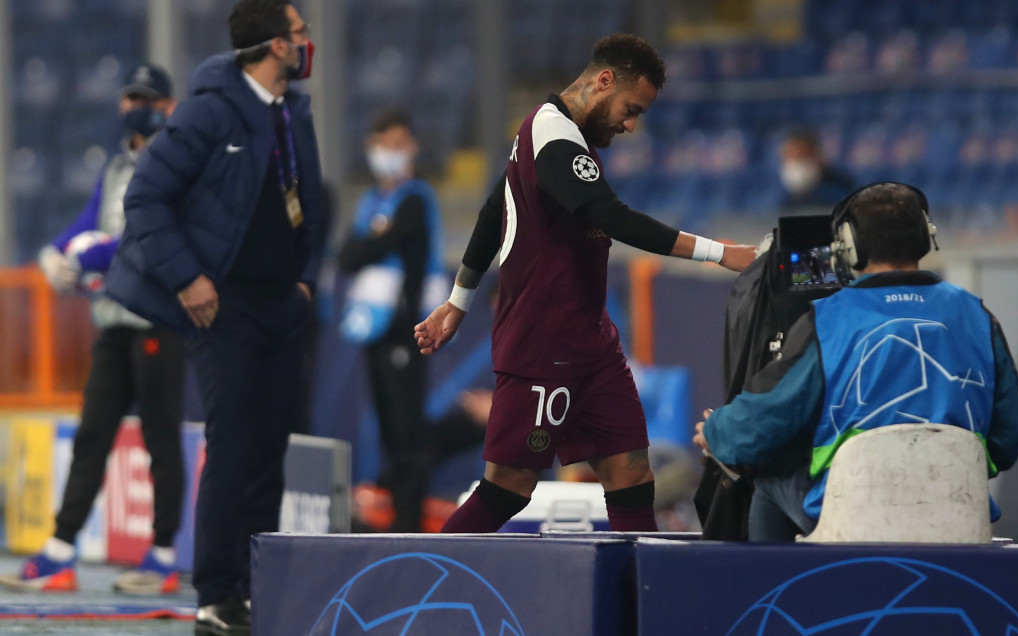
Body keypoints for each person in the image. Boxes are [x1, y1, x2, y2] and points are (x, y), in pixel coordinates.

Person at [414, 33, 757, 534]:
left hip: (591, 346)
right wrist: (722, 253)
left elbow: (493, 210)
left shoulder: (557, 138)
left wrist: (458, 301)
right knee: (509, 485)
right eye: (630, 108)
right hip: (542, 343)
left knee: (631, 475)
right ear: (602, 82)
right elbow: (610, 216)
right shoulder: (552, 135)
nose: (631, 125)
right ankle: (422, 589)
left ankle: (634, 604)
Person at [105, 1, 322, 632]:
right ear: (277, 46)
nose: (309, 45)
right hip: (223, 306)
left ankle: (259, 587)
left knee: (269, 449)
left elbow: (310, 203)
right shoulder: (208, 109)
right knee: (232, 447)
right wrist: (188, 278)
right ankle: (217, 592)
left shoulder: (293, 113)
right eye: (301, 34)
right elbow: (145, 197)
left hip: (284, 304)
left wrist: (306, 280)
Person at [693, 182, 1018, 542]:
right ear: (925, 236)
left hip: (857, 520)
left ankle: (774, 594)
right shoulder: (976, 315)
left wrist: (717, 433)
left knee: (769, 472)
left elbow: (762, 425)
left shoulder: (828, 320)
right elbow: (1012, 434)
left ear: (848, 245)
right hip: (959, 516)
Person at [0, 64, 184, 595]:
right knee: (92, 436)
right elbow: (90, 221)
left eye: (147, 98)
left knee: (160, 440)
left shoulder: (176, 162)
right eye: (129, 97)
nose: (135, 106)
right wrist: (56, 253)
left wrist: (92, 253)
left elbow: (147, 236)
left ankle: (164, 554)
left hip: (157, 319)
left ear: (170, 107)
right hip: (113, 319)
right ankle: (60, 550)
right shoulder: (119, 165)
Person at [337, 110, 447, 532]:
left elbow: (377, 245)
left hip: (409, 328)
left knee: (408, 434)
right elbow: (348, 256)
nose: (391, 153)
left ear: (413, 147)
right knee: (389, 431)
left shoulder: (416, 198)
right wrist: (374, 243)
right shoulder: (370, 201)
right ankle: (397, 521)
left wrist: (373, 243)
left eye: (400, 143)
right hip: (374, 329)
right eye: (384, 144)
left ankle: (408, 525)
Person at [778, 128, 855, 212]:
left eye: (803, 156)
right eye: (792, 157)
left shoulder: (842, 189)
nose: (797, 163)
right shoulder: (776, 196)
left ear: (817, 156)